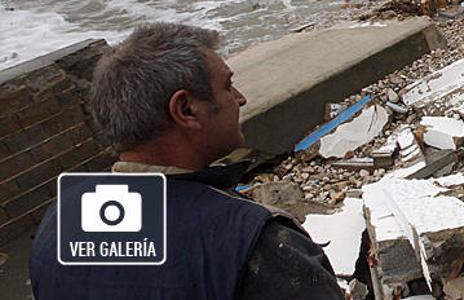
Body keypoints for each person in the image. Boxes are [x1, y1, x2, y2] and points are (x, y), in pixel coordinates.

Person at [29, 23, 344, 300]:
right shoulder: (257, 245)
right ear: (186, 110)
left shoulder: (61, 217)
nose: (240, 98)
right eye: (226, 86)